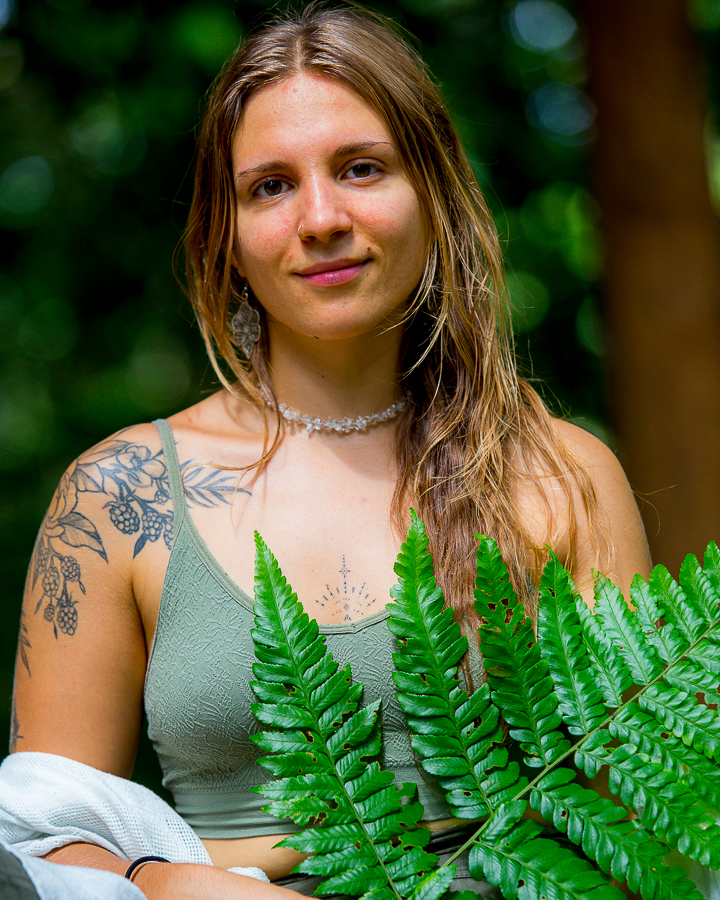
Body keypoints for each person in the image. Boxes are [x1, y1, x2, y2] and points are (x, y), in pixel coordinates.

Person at [7, 3, 651, 899]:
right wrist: (167, 884)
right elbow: (41, 844)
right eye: (270, 186)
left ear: (433, 193)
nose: (320, 218)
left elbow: (644, 828)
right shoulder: (120, 497)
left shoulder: (559, 478)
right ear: (225, 233)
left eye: (360, 168)